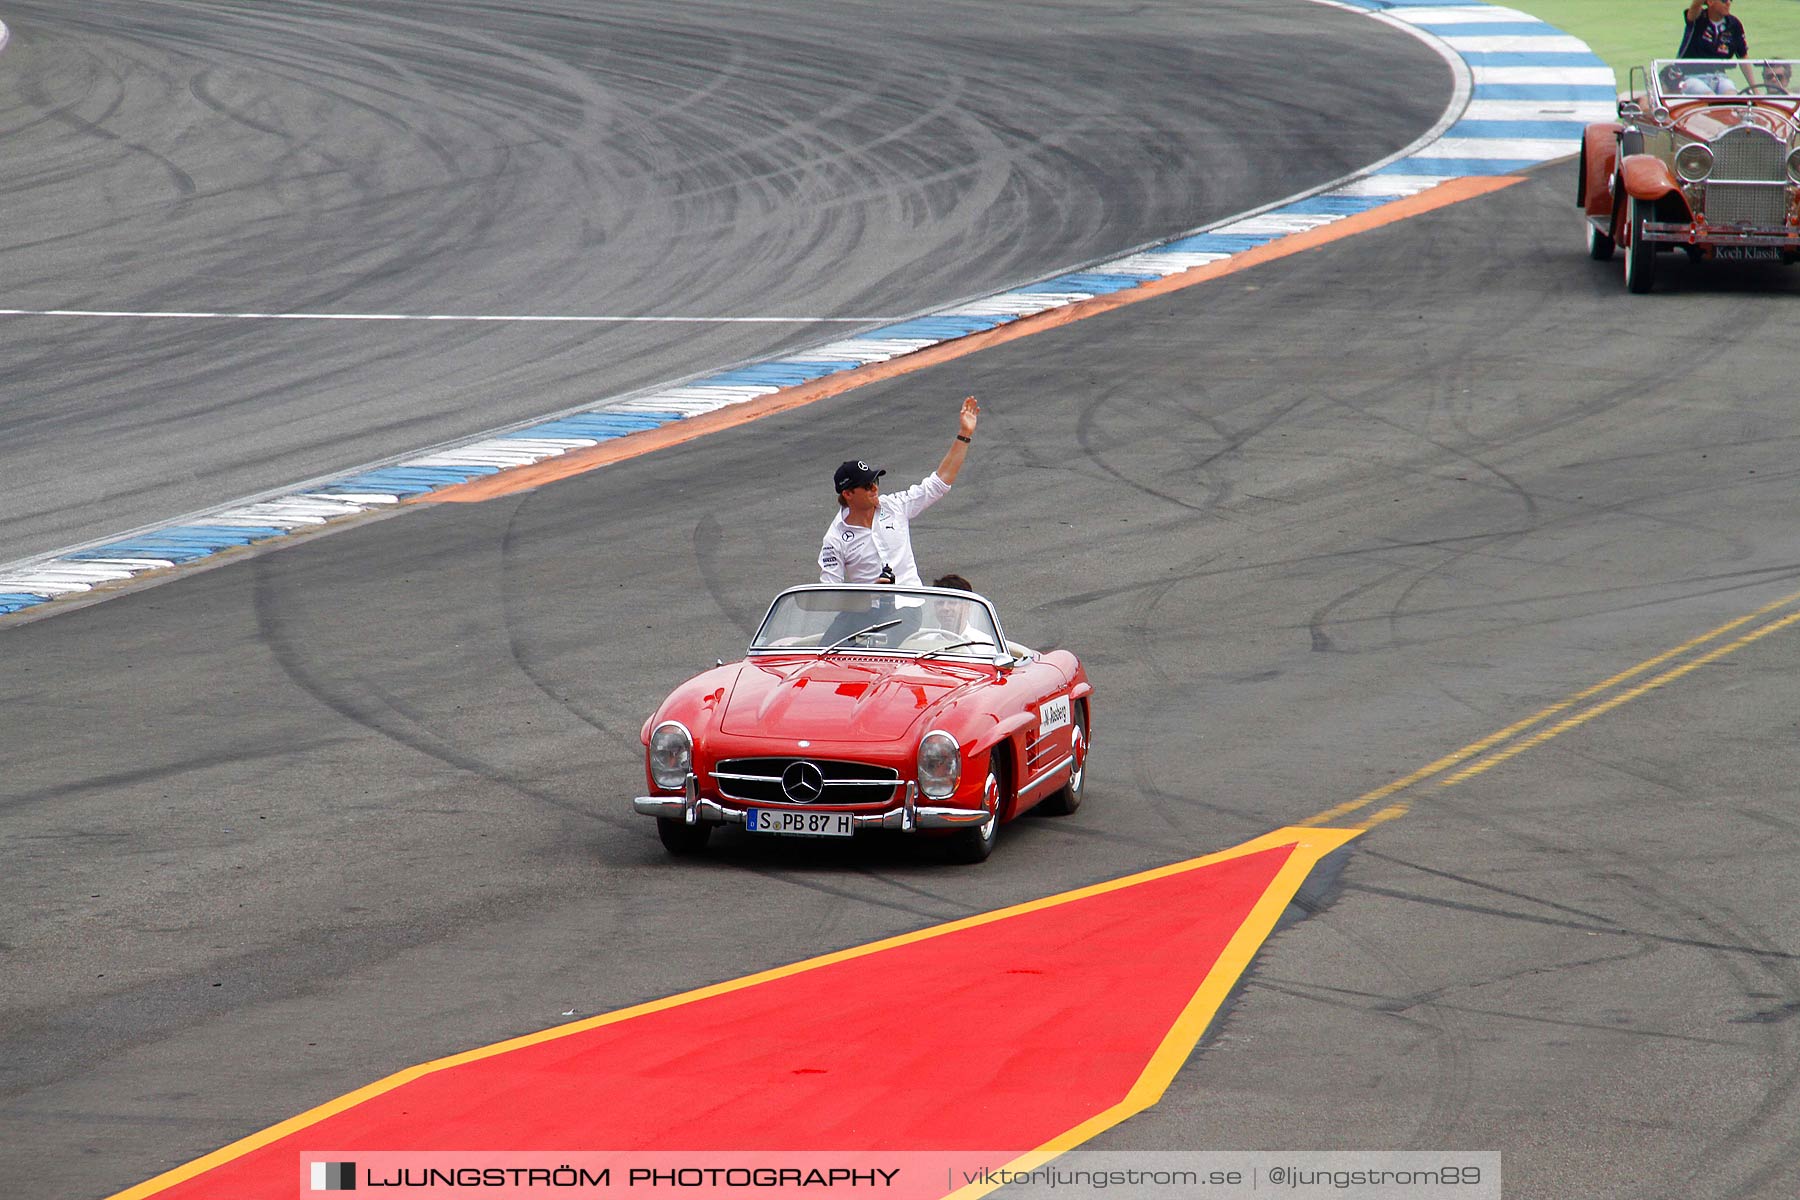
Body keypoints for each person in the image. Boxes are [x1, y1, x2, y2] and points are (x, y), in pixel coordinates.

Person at [818, 396, 979, 587]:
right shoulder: (834, 539)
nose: (875, 488)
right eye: (867, 485)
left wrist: (964, 434)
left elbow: (939, 483)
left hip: (912, 605)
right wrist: (872, 593)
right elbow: (830, 592)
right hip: (870, 613)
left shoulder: (894, 505)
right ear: (848, 494)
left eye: (875, 481)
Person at [1677, 0, 1753, 94]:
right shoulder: (1698, 18)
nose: (1728, 3)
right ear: (1710, 2)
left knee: (1731, 94)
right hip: (1691, 77)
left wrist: (1755, 89)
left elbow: (1743, 57)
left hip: (1720, 77)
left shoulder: (1734, 25)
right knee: (1709, 96)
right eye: (1724, 0)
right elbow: (1695, 6)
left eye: (1730, 0)